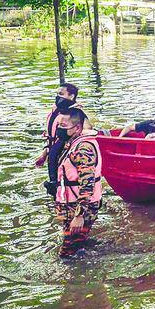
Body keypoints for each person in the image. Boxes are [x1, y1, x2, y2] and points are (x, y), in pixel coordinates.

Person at [54, 108, 103, 258]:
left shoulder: (83, 148)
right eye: (59, 125)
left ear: (77, 128)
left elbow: (87, 183)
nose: (59, 129)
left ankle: (78, 278)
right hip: (72, 204)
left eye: (64, 126)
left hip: (81, 207)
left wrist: (79, 215)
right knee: (77, 246)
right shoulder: (73, 142)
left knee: (67, 254)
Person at [35, 83, 92, 196]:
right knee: (53, 180)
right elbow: (51, 135)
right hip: (53, 150)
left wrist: (72, 144)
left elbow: (88, 128)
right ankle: (56, 195)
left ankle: (65, 198)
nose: (58, 97)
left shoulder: (76, 112)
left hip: (64, 151)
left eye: (61, 94)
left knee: (63, 179)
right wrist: (44, 153)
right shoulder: (55, 110)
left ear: (71, 96)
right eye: (57, 94)